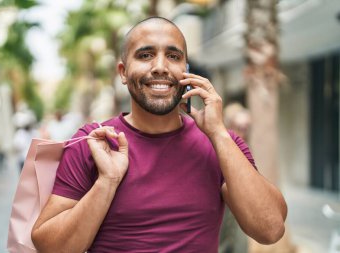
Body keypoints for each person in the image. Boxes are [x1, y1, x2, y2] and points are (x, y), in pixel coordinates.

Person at [31, 17, 287, 253]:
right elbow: (48, 245)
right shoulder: (94, 142)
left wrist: (218, 133)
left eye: (173, 56)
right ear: (122, 72)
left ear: (186, 70)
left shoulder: (221, 143)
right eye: (145, 55)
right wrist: (106, 181)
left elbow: (270, 229)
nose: (161, 67)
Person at [219, 102, 252, 253]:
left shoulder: (245, 149)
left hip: (240, 215)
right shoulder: (218, 145)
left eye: (246, 129)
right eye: (239, 128)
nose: (242, 133)